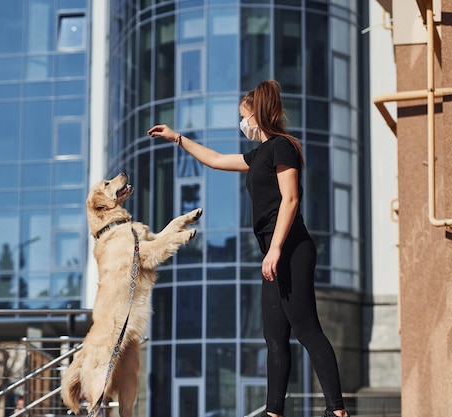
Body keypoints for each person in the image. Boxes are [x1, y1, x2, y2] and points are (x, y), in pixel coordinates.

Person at [148, 80, 349, 417]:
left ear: (257, 115)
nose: (242, 124)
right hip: (274, 251)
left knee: (307, 329)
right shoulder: (259, 155)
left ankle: (337, 411)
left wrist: (276, 250)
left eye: (244, 117)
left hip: (291, 249)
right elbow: (214, 159)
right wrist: (178, 138)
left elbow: (291, 199)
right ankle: (274, 412)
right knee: (274, 337)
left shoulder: (283, 147)